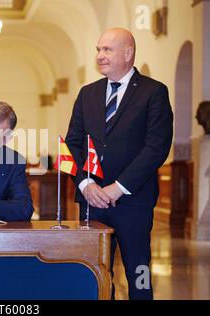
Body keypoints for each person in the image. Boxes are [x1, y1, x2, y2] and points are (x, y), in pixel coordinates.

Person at [65, 28, 173, 300]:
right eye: (98, 50)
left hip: (132, 202)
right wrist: (86, 184)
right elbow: (73, 144)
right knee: (95, 274)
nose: (100, 55)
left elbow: (156, 147)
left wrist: (118, 187)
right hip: (92, 202)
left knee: (139, 272)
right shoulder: (87, 94)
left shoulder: (154, 92)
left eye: (107, 50)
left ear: (128, 53)